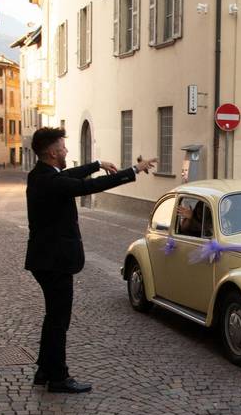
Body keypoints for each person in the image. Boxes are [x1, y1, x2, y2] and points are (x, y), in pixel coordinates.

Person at [25, 127, 156, 393]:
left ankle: (45, 370)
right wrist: (133, 170)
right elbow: (87, 185)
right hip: (55, 262)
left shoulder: (40, 175)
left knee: (53, 318)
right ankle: (58, 378)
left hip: (45, 260)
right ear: (52, 153)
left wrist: (97, 164)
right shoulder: (52, 182)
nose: (66, 151)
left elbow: (71, 175)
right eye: (63, 148)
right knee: (59, 321)